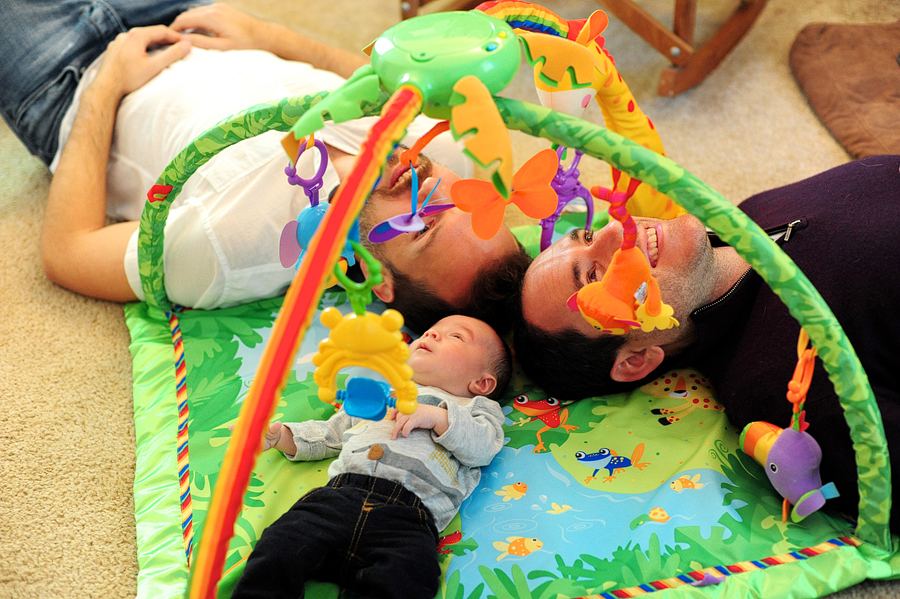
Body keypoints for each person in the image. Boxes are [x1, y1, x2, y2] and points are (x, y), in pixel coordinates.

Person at [1, 1, 530, 333]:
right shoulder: (449, 148)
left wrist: (105, 84)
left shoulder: (228, 253)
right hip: (187, 12)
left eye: (426, 223)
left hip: (66, 74)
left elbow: (67, 253)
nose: (423, 179)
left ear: (379, 280)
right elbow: (380, 77)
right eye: (463, 199)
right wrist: (276, 38)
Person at [514, 155, 900, 532]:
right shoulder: (786, 385)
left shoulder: (745, 215)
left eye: (588, 236)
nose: (615, 229)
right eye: (594, 276)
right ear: (635, 361)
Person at [231, 314, 510, 599]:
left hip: (407, 518)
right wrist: (281, 437)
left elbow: (482, 447)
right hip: (338, 498)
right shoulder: (381, 394)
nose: (431, 335)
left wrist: (438, 417)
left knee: (411, 576)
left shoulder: (476, 409)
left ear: (482, 383)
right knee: (280, 544)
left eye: (457, 336)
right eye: (429, 331)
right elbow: (330, 433)